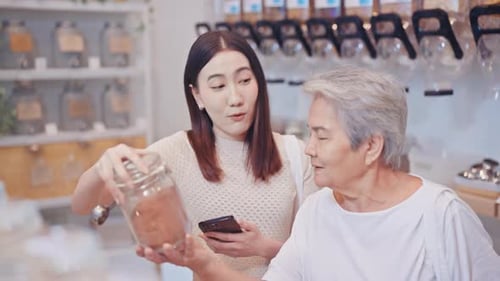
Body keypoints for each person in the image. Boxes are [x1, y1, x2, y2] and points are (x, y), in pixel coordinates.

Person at [141, 66, 500, 280]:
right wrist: (202, 261)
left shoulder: (439, 216)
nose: (308, 147)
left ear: (371, 146)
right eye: (309, 133)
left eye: (321, 136)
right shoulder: (318, 211)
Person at [71, 30, 318, 279]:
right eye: (218, 86)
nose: (235, 98)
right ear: (197, 95)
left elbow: (319, 256)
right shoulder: (176, 152)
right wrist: (102, 167)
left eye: (244, 81)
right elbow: (83, 205)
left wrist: (265, 248)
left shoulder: (296, 154)